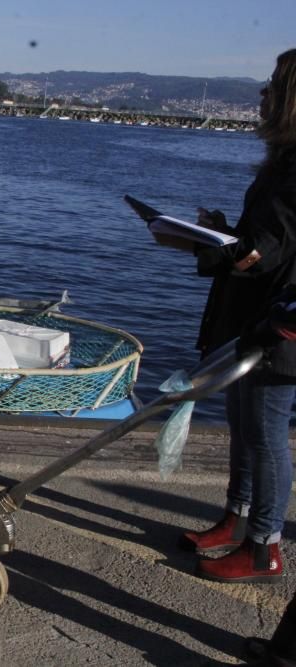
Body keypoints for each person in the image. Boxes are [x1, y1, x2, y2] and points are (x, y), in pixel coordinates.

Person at [179, 48, 296, 583]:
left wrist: (212, 245)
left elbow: (264, 253)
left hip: (278, 322)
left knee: (266, 431)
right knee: (243, 423)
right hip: (253, 314)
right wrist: (225, 230)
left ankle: (265, 544)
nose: (262, 93)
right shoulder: (284, 161)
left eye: (273, 84)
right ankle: (239, 516)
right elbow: (271, 242)